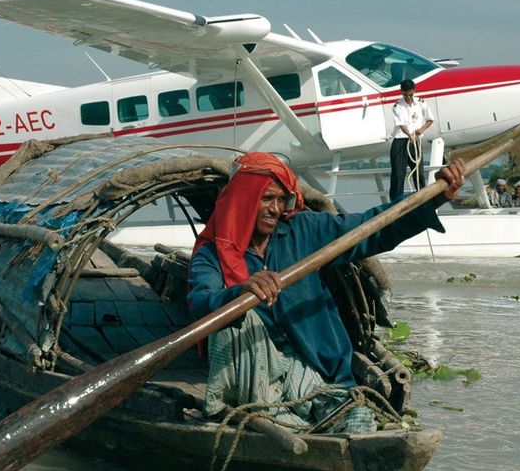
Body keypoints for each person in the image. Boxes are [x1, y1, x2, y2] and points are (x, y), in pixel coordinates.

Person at [188, 152, 465, 432]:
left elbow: (371, 227)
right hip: (254, 374)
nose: (275, 209)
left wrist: (434, 198)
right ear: (244, 200)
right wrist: (239, 294)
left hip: (319, 370)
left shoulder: (304, 231)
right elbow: (200, 303)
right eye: (266, 198)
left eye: (281, 199)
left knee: (355, 419)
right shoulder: (211, 255)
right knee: (234, 317)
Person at [388, 79, 434, 200]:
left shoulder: (421, 103)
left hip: (415, 142)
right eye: (405, 95)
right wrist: (409, 135)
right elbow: (402, 125)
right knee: (398, 175)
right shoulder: (397, 106)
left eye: (410, 94)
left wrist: (422, 129)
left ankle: (423, 201)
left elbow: (430, 119)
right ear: (401, 92)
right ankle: (395, 203)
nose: (408, 97)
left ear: (414, 90)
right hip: (400, 141)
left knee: (419, 174)